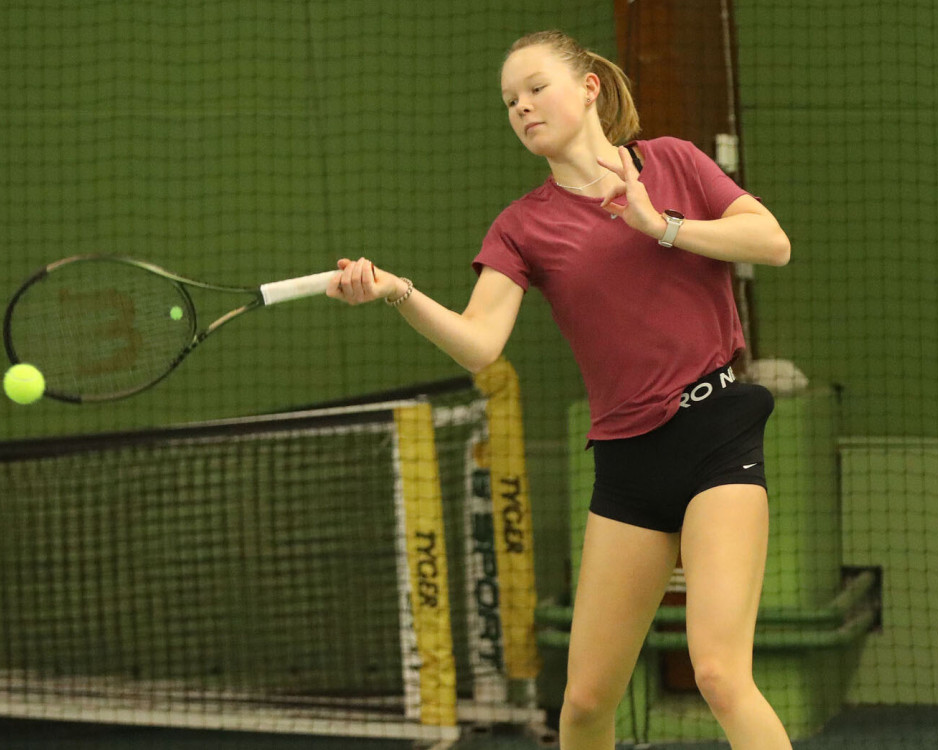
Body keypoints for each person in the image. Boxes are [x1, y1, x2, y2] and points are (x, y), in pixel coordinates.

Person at [328, 29, 792, 750]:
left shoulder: (673, 161)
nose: (521, 107)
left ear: (588, 87)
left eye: (536, 88)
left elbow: (772, 242)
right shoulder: (523, 226)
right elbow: (480, 343)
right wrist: (398, 292)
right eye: (509, 100)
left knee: (720, 674)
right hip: (628, 467)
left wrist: (659, 225)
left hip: (716, 439)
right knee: (582, 705)